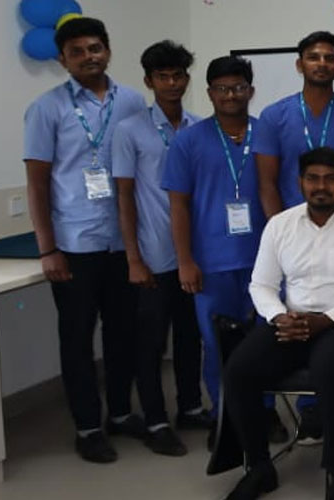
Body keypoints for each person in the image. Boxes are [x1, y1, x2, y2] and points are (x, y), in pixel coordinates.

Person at [220, 147, 334, 500]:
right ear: (300, 182)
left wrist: (326, 320)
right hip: (293, 321)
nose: (321, 186)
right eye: (313, 179)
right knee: (238, 370)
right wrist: (279, 316)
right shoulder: (280, 225)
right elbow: (261, 285)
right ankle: (258, 467)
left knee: (329, 367)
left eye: (330, 179)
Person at [24, 16, 148, 463]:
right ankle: (88, 427)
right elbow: (37, 183)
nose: (88, 56)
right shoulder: (46, 109)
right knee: (77, 339)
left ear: (108, 51)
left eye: (95, 48)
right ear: (62, 59)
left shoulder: (132, 101)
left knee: (123, 334)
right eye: (76, 51)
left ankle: (120, 413)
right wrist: (48, 248)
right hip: (74, 243)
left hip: (123, 241)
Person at [163, 55, 265, 445]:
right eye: (222, 88)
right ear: (209, 93)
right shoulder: (188, 141)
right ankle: (226, 416)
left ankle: (265, 411)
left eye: (238, 87)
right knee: (216, 343)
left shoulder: (267, 134)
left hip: (263, 261)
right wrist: (185, 260)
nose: (231, 95)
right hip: (210, 263)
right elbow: (178, 206)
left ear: (250, 91)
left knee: (265, 340)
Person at [112, 39, 205, 456]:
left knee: (189, 337)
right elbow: (124, 197)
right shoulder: (129, 130)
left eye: (178, 75)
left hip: (193, 255)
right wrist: (133, 258)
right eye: (162, 77)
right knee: (150, 344)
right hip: (151, 256)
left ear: (187, 79)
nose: (172, 83)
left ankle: (190, 408)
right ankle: (155, 420)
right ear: (149, 82)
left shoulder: (198, 127)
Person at [254, 31, 334, 217]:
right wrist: (279, 229)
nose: (322, 64)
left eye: (329, 58)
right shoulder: (273, 116)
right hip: (293, 225)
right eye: (313, 58)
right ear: (299, 65)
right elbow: (267, 184)